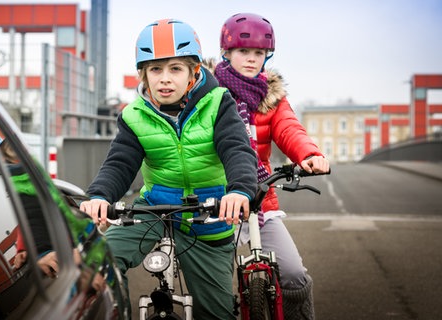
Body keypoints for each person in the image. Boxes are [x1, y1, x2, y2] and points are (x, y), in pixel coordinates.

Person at [80, 18, 258, 319]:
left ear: (194, 73)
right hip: (154, 210)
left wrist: (240, 190)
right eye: (155, 69)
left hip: (209, 215)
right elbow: (120, 163)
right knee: (95, 267)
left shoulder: (218, 103)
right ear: (144, 75)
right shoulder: (134, 115)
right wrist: (99, 196)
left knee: (216, 313)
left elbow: (237, 149)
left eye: (175, 69)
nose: (164, 79)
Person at [210, 13, 330, 319]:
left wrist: (308, 154)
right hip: (212, 198)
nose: (251, 60)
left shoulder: (272, 98)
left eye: (259, 54)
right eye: (243, 52)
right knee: (215, 287)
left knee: (292, 274)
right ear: (227, 53)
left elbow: (289, 129)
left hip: (259, 199)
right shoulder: (206, 93)